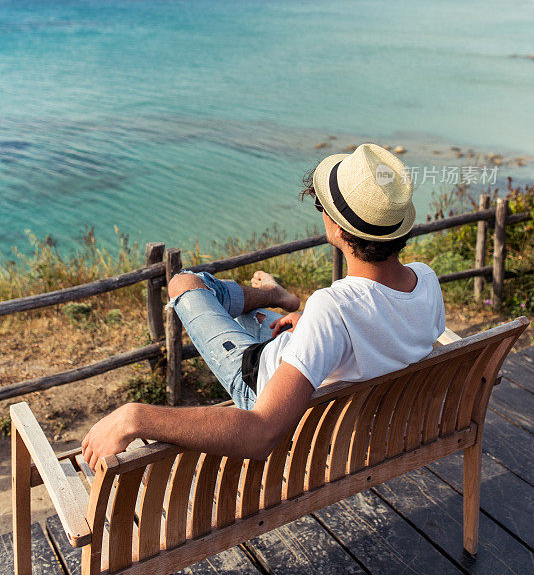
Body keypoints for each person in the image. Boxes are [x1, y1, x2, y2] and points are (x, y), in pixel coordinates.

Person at [82, 143, 445, 470]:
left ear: (336, 228)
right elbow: (381, 326)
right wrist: (313, 321)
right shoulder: (425, 279)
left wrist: (134, 418)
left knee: (185, 284)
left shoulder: (333, 310)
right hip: (350, 396)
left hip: (257, 376)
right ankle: (278, 299)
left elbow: (261, 434)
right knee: (278, 322)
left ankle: (272, 295)